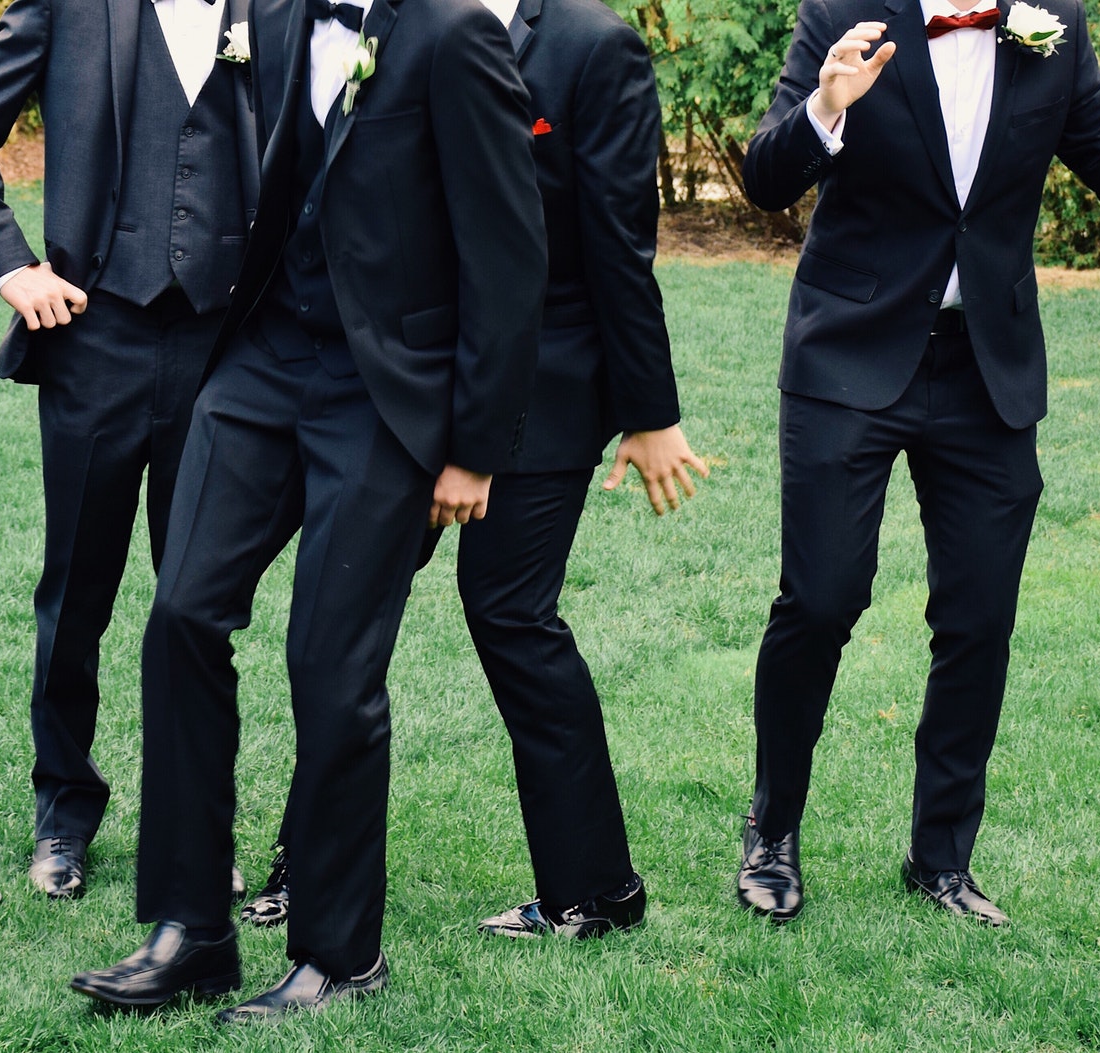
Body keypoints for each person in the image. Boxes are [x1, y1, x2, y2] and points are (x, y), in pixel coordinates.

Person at [69, 0, 546, 1021]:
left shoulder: (455, 35)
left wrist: (473, 450)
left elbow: (509, 251)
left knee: (329, 667)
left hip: (386, 393)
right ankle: (188, 930)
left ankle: (340, 952)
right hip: (263, 364)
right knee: (182, 613)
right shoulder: (279, 17)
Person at [238, 0, 708, 940]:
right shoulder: (389, 22)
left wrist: (650, 413)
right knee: (345, 620)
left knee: (510, 613)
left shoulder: (593, 46)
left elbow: (620, 240)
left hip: (542, 385)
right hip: (401, 382)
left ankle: (596, 887)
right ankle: (309, 864)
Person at [736, 0, 1100, 927]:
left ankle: (940, 856)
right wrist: (826, 108)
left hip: (988, 367)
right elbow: (765, 178)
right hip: (850, 349)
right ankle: (772, 830)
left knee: (980, 616)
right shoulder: (841, 12)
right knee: (820, 598)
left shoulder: (1051, 24)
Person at [0, 0, 264, 898]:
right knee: (75, 596)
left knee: (199, 606)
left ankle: (195, 827)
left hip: (224, 348)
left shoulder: (273, 10)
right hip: (95, 339)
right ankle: (63, 819)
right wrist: (11, 267)